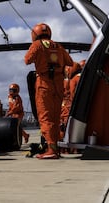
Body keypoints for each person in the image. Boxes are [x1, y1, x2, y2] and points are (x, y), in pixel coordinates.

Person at [24, 23, 73, 159]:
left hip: (44, 83)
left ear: (34, 34)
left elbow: (27, 60)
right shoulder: (58, 46)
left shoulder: (37, 45)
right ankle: (55, 148)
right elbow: (70, 62)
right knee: (55, 117)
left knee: (45, 116)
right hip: (58, 84)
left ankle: (51, 150)